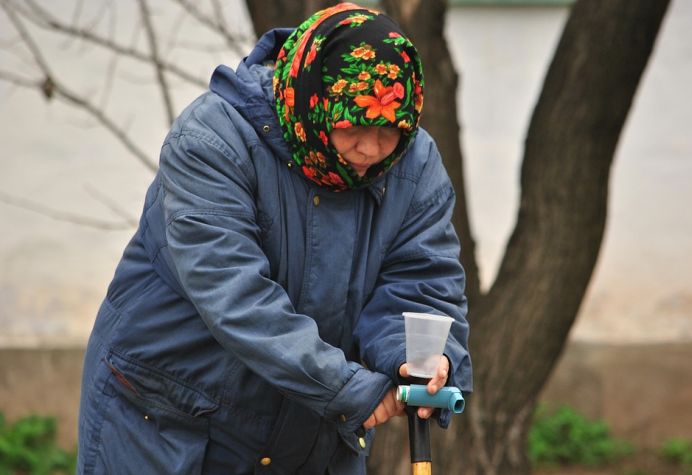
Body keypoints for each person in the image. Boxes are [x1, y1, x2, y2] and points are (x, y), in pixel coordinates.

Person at [77, 3, 472, 474]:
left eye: (390, 130)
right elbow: (234, 294)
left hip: (309, 432)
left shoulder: (415, 164)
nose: (371, 149)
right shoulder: (212, 140)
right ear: (312, 101)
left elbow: (420, 283)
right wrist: (349, 390)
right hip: (166, 421)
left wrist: (417, 361)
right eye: (353, 127)